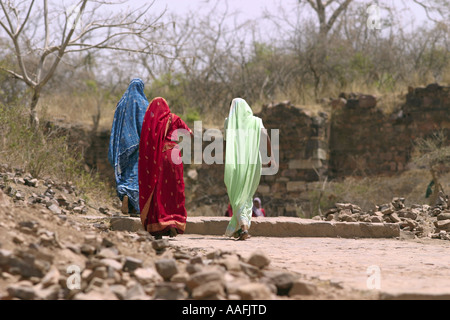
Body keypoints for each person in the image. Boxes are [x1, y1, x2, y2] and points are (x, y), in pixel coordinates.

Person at [138, 97, 193, 239]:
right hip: (175, 156)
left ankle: (160, 225)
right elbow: (189, 133)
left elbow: (146, 141)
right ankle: (174, 223)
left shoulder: (152, 121)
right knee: (174, 190)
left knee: (159, 191)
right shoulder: (174, 118)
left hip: (160, 158)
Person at [224, 98, 268, 241]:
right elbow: (265, 135)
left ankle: (243, 228)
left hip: (235, 165)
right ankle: (240, 228)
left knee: (238, 197)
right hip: (252, 163)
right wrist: (271, 156)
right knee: (246, 196)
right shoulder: (256, 121)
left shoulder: (229, 122)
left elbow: (228, 142)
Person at [108, 78, 148, 217]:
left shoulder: (121, 103)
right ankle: (135, 208)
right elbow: (145, 127)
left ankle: (124, 194)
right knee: (137, 175)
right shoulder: (143, 103)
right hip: (139, 148)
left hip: (123, 146)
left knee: (125, 173)